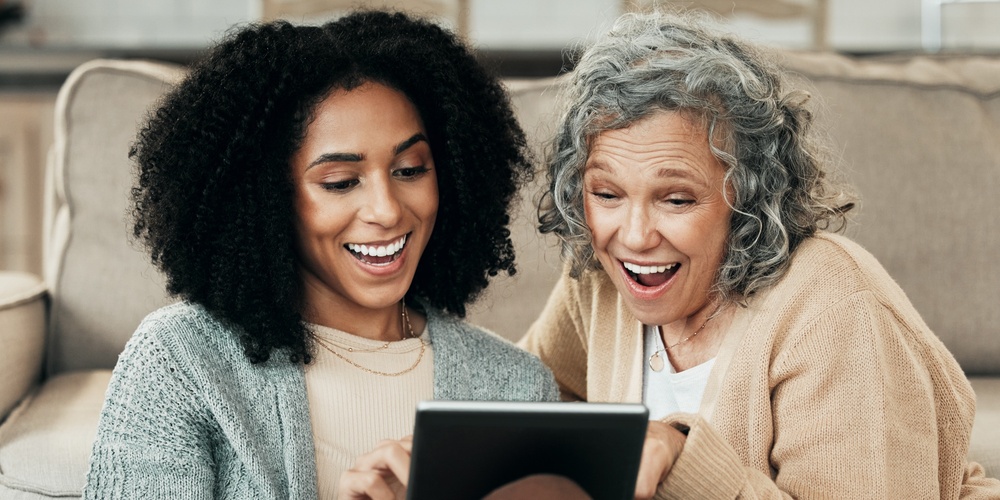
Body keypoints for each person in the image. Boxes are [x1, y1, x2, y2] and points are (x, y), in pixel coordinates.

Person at [518, 10, 1000, 499]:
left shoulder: (837, 311)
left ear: (748, 196)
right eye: (606, 195)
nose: (636, 236)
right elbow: (524, 402)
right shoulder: (600, 283)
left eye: (677, 199)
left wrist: (681, 458)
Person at [83, 10, 558, 499]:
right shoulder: (181, 363)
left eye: (410, 169)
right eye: (340, 182)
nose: (386, 210)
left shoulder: (515, 390)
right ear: (267, 200)